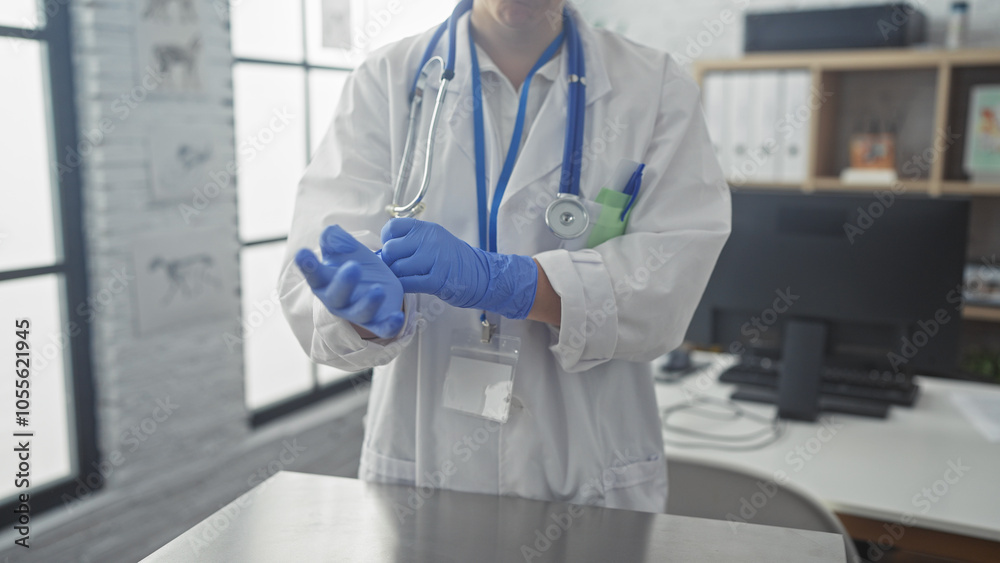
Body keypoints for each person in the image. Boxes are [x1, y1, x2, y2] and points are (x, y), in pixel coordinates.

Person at [279, 0, 730, 514]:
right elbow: (324, 253)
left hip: (590, 470)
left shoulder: (654, 86)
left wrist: (510, 283)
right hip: (423, 470)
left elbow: (669, 280)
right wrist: (361, 316)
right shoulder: (386, 80)